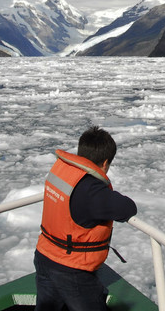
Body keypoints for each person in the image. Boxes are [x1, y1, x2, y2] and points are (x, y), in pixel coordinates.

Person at [34, 126, 137, 311]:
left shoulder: (62, 171)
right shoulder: (91, 190)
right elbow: (127, 208)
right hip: (71, 268)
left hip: (44, 255)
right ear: (105, 163)